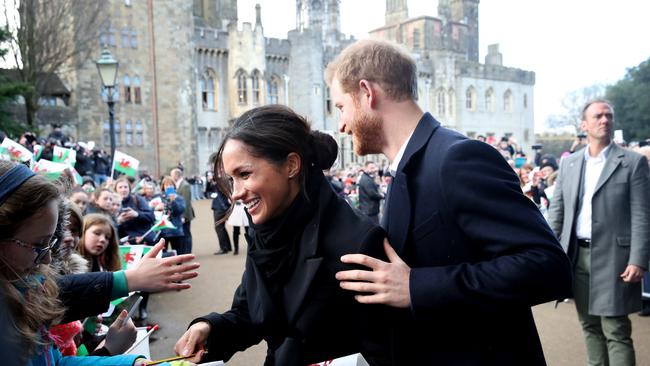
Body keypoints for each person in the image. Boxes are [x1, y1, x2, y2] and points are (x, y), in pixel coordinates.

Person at [326, 39, 573, 365]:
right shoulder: (407, 166)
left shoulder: (457, 158)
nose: (341, 125)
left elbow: (547, 267)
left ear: (366, 93)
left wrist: (416, 286)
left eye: (341, 107)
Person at [173, 105, 386, 365]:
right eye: (231, 179)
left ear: (291, 166)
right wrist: (209, 328)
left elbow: (383, 351)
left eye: (245, 174)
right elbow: (250, 312)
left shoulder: (358, 242)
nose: (236, 193)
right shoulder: (264, 233)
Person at [0, 160, 151, 365]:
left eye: (51, 241)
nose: (47, 257)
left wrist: (129, 363)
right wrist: (109, 352)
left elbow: (56, 363)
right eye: (38, 243)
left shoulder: (26, 289)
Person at [547, 99, 650, 366]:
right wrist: (550, 254)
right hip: (576, 255)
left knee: (616, 329)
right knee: (589, 326)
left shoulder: (633, 162)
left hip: (616, 258)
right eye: (598, 116)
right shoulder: (569, 165)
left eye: (609, 116)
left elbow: (642, 214)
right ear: (584, 125)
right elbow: (557, 212)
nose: (605, 120)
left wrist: (638, 259)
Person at [171, 168, 194, 254]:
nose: (171, 177)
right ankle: (185, 251)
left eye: (172, 175)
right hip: (182, 214)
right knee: (184, 233)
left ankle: (188, 251)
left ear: (176, 175)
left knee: (187, 234)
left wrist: (183, 216)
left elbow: (186, 202)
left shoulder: (185, 185)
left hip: (185, 214)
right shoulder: (179, 184)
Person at [211, 186, 232, 255]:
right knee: (221, 227)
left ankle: (224, 248)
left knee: (218, 227)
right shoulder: (220, 180)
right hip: (221, 206)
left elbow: (221, 195)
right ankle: (228, 246)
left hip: (220, 207)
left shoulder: (220, 181)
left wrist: (225, 208)